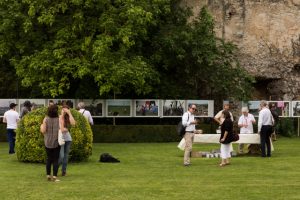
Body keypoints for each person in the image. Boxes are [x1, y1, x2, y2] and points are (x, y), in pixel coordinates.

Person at [40, 104, 60, 182]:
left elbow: (43, 131)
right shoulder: (59, 119)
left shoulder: (46, 119)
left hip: (47, 141)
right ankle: (54, 176)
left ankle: (48, 175)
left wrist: (41, 125)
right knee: (55, 160)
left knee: (49, 159)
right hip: (56, 141)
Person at [59, 105, 76, 176]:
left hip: (68, 139)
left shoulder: (67, 117)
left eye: (65, 110)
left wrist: (69, 113)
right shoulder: (58, 117)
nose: (64, 111)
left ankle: (64, 171)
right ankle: (54, 168)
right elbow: (62, 129)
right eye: (63, 109)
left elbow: (73, 123)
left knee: (66, 156)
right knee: (61, 156)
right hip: (60, 139)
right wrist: (62, 114)